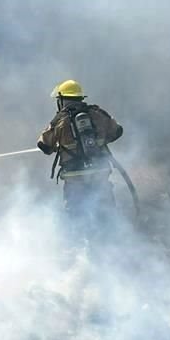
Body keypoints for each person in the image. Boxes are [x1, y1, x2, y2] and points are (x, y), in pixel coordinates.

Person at [37, 80, 124, 238]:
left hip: (75, 177)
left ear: (62, 100)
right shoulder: (97, 114)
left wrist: (61, 145)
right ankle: (112, 247)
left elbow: (44, 145)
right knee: (106, 214)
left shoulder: (59, 120)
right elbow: (117, 131)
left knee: (76, 216)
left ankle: (81, 253)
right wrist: (99, 139)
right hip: (99, 172)